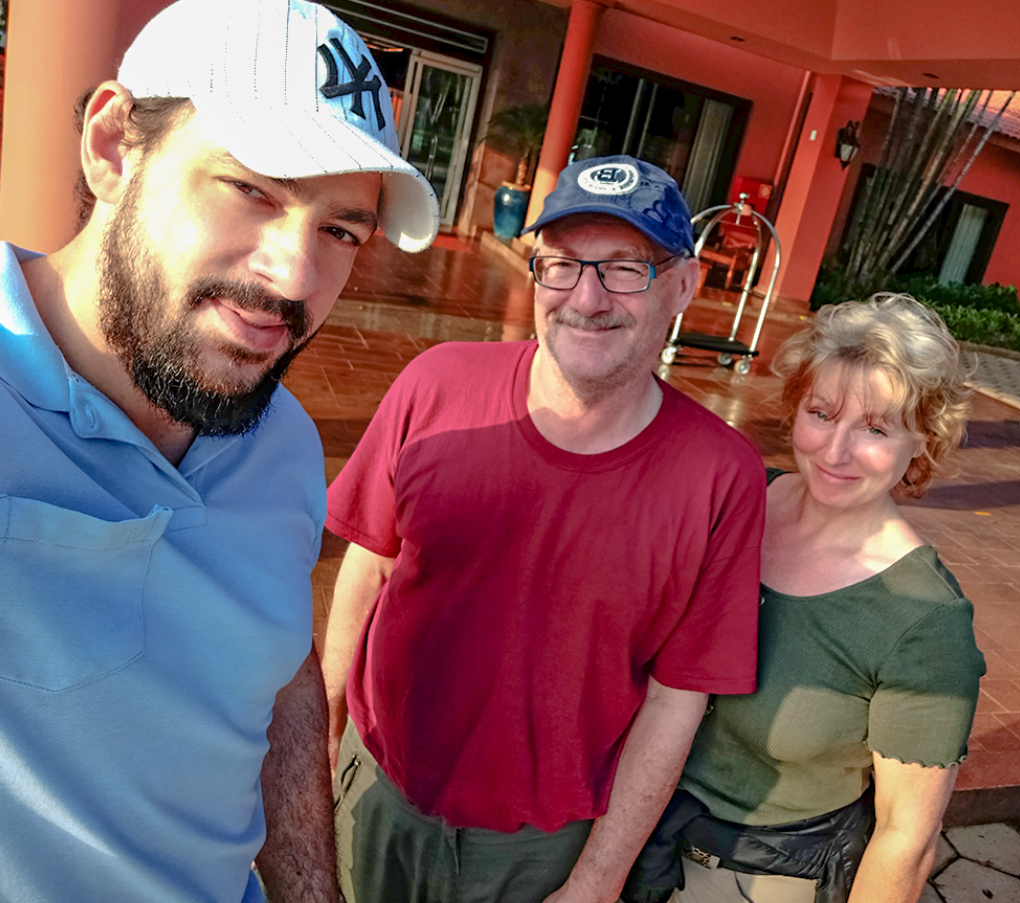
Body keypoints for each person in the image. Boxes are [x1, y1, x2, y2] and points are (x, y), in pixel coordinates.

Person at [0, 0, 440, 900]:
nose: (295, 277)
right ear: (115, 144)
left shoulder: (278, 436)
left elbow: (279, 674)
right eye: (254, 189)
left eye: (340, 230)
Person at [322, 154, 766, 903]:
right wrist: (318, 745)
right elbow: (366, 569)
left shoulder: (721, 475)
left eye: (625, 268)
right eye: (559, 265)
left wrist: (596, 881)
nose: (585, 297)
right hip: (377, 793)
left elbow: (675, 696)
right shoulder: (435, 384)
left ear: (682, 287)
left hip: (540, 851)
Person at [624, 294, 986, 903]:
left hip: (751, 872)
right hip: (624, 820)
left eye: (875, 428)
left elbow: (907, 838)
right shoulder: (738, 502)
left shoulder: (924, 620)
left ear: (923, 439)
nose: (836, 451)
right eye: (822, 414)